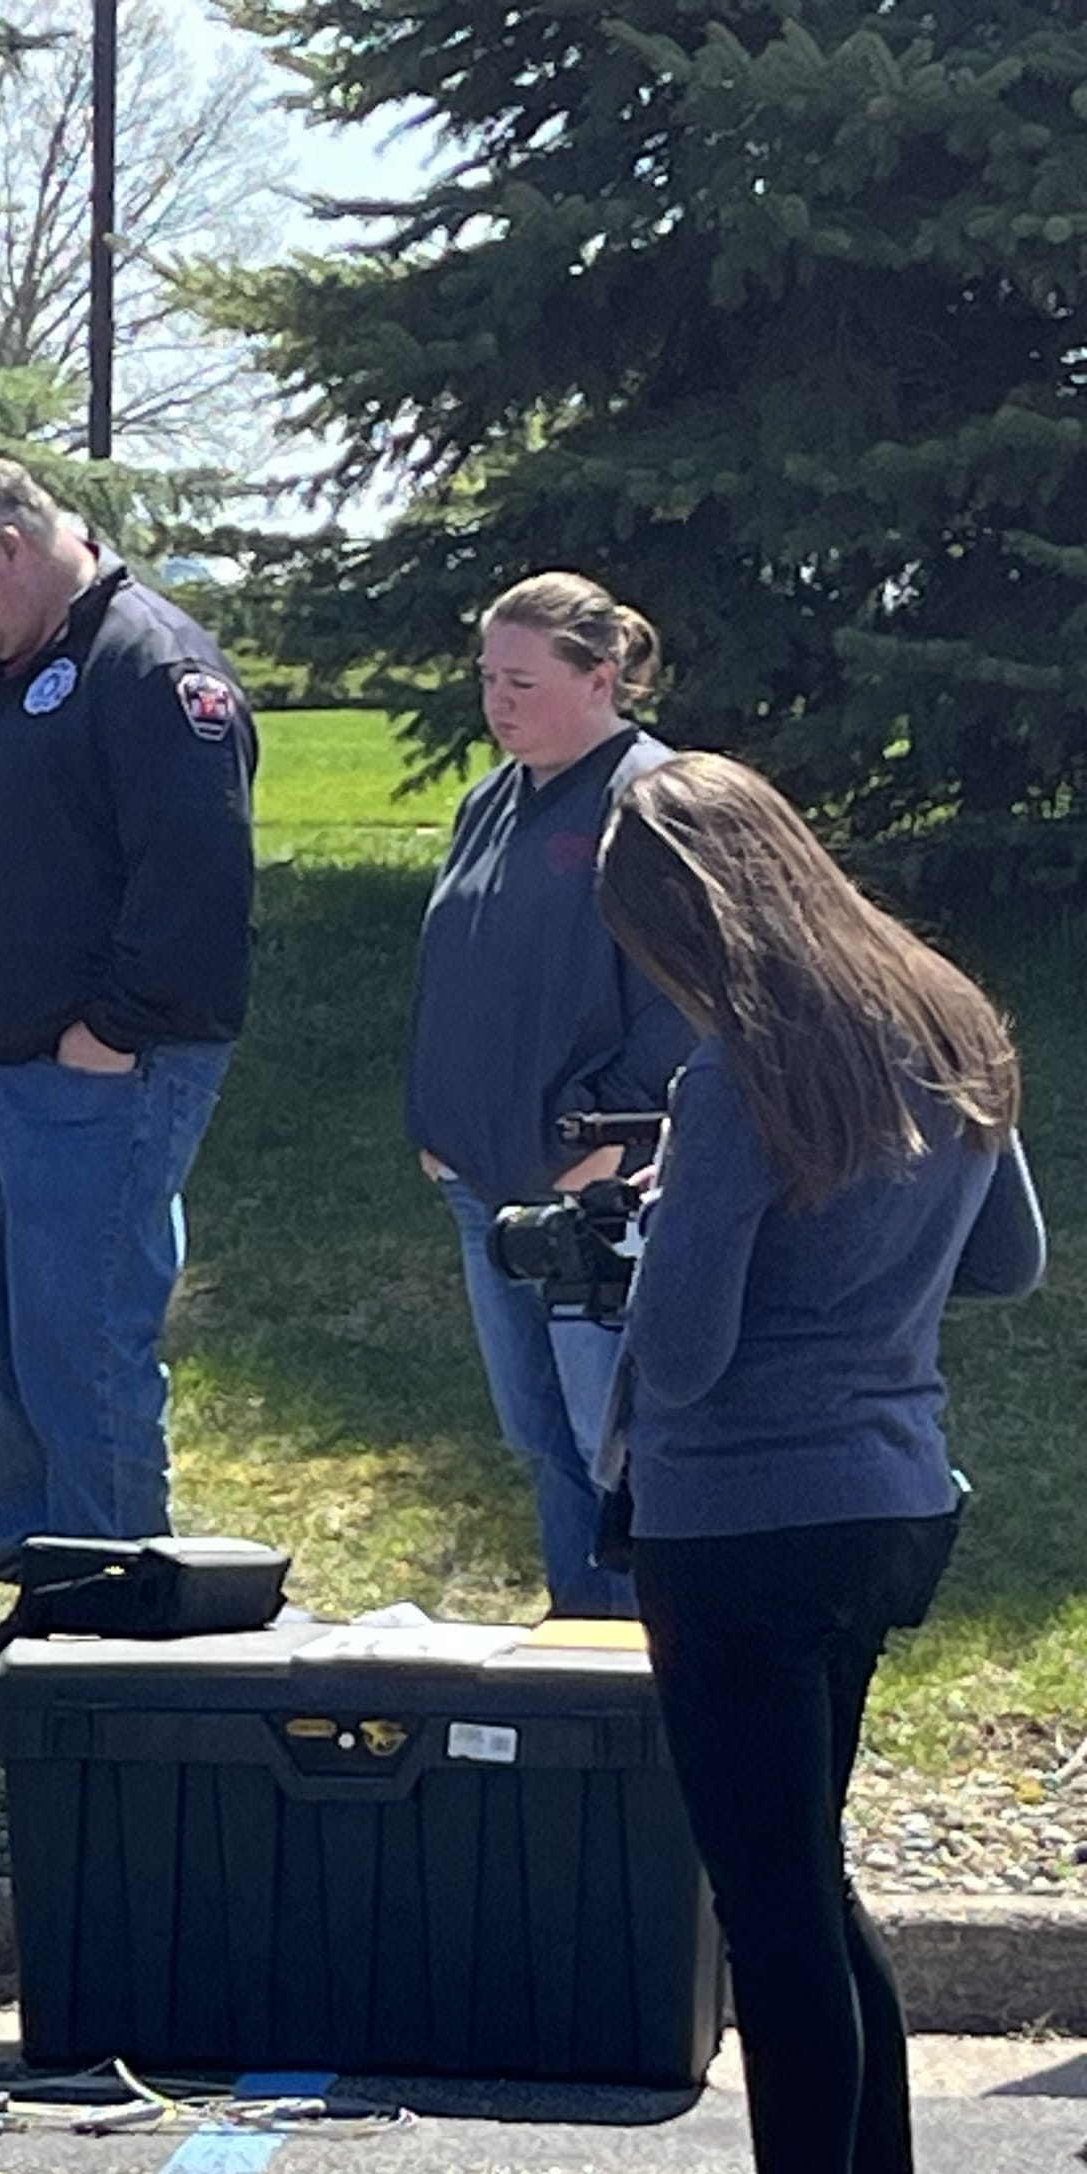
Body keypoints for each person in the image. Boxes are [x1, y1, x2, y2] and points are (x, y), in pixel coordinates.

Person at [583, 753, 1042, 2174]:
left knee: (764, 1888)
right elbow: (1008, 1256)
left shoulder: (738, 1076)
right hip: (889, 1491)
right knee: (808, 1863)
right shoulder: (944, 1020)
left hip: (738, 1514)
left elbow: (690, 1349)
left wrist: (646, 1235)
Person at [0, 447, 256, 1581]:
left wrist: (111, 1033)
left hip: (95, 1070)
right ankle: (40, 1572)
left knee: (80, 1342)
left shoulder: (149, 663)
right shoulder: (3, 665)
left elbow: (196, 879)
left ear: (9, 547)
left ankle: (114, 1597)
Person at [409, 571, 687, 1618]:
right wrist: (438, 1134)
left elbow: (686, 1000)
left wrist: (609, 1145)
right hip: (482, 1184)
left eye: (522, 680)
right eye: (487, 677)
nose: (498, 702)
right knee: (537, 1435)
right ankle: (578, 1635)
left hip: (592, 1193)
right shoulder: (491, 801)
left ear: (602, 677)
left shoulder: (651, 803)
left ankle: (638, 1666)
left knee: (607, 1438)